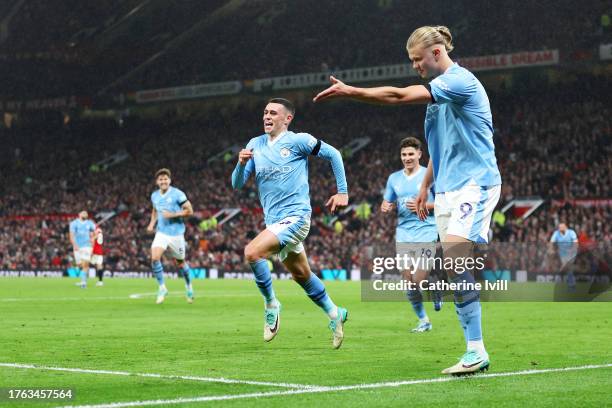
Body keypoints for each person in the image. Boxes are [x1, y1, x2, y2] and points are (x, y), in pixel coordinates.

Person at [314, 25, 501, 374]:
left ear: (436, 52)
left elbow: (399, 96)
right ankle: (464, 330)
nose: (415, 65)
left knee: (458, 261)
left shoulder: (459, 82)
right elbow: (440, 149)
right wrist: (424, 186)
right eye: (411, 61)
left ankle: (476, 350)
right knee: (453, 266)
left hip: (475, 184)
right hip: (447, 187)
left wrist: (353, 91)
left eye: (417, 59)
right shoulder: (439, 101)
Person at [231, 98, 349, 349]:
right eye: (265, 112)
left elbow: (334, 154)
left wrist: (342, 191)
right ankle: (334, 312)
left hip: (296, 217)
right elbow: (237, 184)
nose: (267, 116)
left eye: (273, 113)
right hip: (275, 222)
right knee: (301, 275)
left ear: (287, 118)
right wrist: (240, 165)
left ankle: (271, 304)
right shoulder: (255, 145)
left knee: (252, 252)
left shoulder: (298, 141)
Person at [381, 137, 440, 333]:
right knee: (409, 283)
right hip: (404, 233)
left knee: (419, 279)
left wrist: (422, 205)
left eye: (411, 154)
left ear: (419, 155)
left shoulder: (429, 176)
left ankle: (433, 286)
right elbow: (387, 202)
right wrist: (386, 206)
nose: (407, 158)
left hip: (427, 230)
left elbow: (444, 203)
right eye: (404, 155)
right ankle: (424, 320)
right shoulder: (394, 179)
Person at [147, 168, 195, 304]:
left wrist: (173, 214)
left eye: (165, 179)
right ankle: (162, 288)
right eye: (161, 179)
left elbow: (190, 211)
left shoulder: (178, 194)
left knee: (180, 263)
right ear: (157, 182)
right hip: (161, 232)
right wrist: (151, 223)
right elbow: (155, 210)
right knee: (155, 257)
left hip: (176, 234)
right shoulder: (154, 196)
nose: (163, 181)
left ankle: (189, 286)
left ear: (169, 180)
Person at [69, 211, 96, 288]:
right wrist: (75, 245)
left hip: (87, 246)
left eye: (86, 213)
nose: (85, 213)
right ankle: (83, 280)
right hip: (77, 247)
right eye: (83, 213)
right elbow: (71, 236)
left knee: (85, 264)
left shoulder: (90, 223)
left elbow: (96, 232)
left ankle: (84, 283)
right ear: (79, 215)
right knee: (79, 265)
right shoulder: (73, 224)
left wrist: (92, 239)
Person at [550, 222, 578, 290]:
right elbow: (551, 242)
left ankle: (570, 284)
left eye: (561, 227)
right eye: (559, 227)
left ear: (565, 227)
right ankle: (571, 284)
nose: (559, 228)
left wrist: (573, 250)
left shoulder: (571, 232)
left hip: (572, 253)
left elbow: (576, 243)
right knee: (568, 269)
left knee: (568, 267)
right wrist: (551, 249)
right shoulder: (556, 233)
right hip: (562, 254)